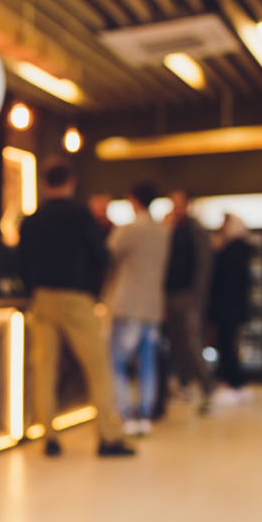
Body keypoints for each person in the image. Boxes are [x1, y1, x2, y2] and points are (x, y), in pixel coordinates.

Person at [19, 156, 134, 457]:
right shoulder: (81, 216)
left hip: (42, 298)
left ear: (44, 184)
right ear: (71, 182)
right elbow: (102, 256)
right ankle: (108, 437)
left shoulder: (32, 219)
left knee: (44, 370)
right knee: (97, 368)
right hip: (76, 298)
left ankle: (49, 437)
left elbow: (20, 262)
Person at [105, 182, 170, 436]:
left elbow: (109, 255)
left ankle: (125, 414)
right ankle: (145, 415)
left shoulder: (129, 229)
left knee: (116, 362)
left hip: (127, 304)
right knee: (147, 363)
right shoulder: (163, 231)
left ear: (133, 200)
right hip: (153, 307)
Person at [164, 189, 215, 415]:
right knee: (176, 343)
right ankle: (183, 385)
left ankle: (207, 388)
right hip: (169, 295)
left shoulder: (196, 230)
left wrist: (197, 294)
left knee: (193, 343)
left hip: (188, 296)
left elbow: (204, 264)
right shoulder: (170, 229)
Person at [208, 213, 254, 405]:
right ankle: (235, 382)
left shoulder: (231, 251)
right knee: (229, 346)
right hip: (235, 309)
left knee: (227, 346)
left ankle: (233, 383)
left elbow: (224, 282)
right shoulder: (241, 249)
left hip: (228, 309)